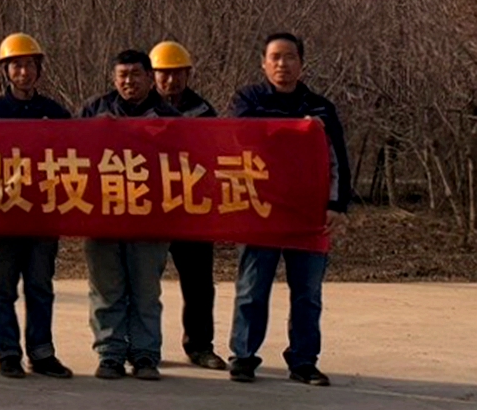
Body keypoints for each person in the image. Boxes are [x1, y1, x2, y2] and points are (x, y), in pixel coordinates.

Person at [227, 32, 351, 386]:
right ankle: (243, 356)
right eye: (275, 57)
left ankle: (303, 361)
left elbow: (338, 160)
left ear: (302, 64)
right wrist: (298, 130)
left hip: (308, 214)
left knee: (308, 293)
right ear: (263, 63)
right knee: (252, 289)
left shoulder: (320, 107)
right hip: (260, 210)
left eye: (290, 57)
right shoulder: (248, 100)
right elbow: (239, 137)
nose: (283, 64)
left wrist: (337, 205)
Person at [0, 33, 74, 380]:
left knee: (40, 286)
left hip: (43, 215)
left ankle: (42, 352)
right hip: (1, 215)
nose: (23, 72)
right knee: (1, 287)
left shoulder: (55, 113)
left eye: (29, 65)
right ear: (5, 70)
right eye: (16, 65)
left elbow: (75, 156)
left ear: (39, 69)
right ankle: (8, 352)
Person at [80, 49, 180, 381]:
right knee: (106, 288)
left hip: (150, 218)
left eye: (136, 74)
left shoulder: (169, 117)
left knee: (145, 290)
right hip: (102, 215)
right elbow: (71, 154)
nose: (129, 81)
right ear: (114, 79)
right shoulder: (95, 110)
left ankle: (145, 354)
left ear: (150, 78)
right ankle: (110, 353)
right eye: (122, 75)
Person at [149, 39, 228, 371]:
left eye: (178, 73)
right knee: (143, 284)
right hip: (150, 210)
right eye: (164, 74)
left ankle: (199, 345)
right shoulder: (140, 109)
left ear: (188, 74)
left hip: (192, 210)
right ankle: (143, 346)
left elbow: (217, 154)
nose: (171, 80)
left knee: (198, 284)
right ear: (153, 75)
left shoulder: (202, 111)